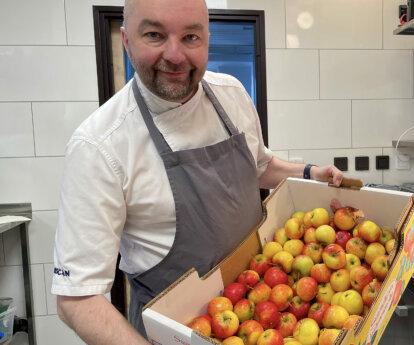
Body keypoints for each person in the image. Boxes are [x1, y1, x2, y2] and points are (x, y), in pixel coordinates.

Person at [52, 0, 343, 343]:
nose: (175, 55)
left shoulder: (232, 95)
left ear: (207, 39)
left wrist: (309, 173)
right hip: (171, 332)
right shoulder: (99, 146)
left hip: (261, 312)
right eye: (155, 35)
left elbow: (259, 165)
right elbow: (76, 298)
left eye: (191, 37)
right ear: (126, 40)